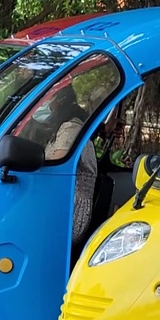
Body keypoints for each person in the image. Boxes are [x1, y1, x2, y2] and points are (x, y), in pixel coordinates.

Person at [41, 86, 97, 245]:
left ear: (59, 101)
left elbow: (57, 165)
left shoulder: (71, 128)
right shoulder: (65, 127)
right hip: (62, 200)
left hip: (71, 208)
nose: (47, 104)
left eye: (49, 99)